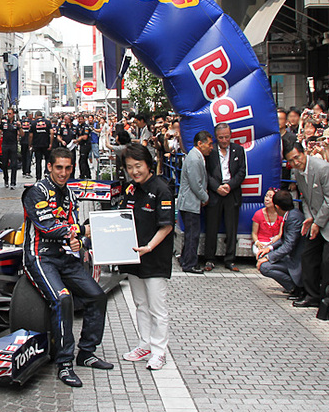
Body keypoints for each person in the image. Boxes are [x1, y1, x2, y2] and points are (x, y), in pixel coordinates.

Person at [21, 147, 111, 387]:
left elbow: (71, 227)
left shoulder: (70, 194)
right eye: (58, 167)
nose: (63, 172)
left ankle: (86, 353)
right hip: (39, 256)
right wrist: (79, 231)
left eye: (67, 168)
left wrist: (78, 239)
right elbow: (48, 226)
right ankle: (64, 363)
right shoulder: (36, 191)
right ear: (49, 167)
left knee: (97, 296)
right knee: (62, 300)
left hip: (65, 256)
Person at [119, 143, 175, 370]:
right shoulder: (131, 189)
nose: (134, 171)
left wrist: (149, 247)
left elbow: (167, 226)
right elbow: (120, 218)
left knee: (157, 308)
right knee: (140, 304)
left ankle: (159, 351)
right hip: (134, 258)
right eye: (130, 167)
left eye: (138, 166)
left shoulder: (162, 189)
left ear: (148, 164)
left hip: (154, 258)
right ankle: (145, 344)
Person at [285, 142, 329, 308]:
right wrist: (309, 218)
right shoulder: (298, 173)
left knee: (328, 261)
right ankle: (311, 294)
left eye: (297, 158)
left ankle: (327, 299)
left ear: (304, 153)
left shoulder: (324, 168)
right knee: (308, 256)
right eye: (291, 161)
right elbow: (305, 198)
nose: (295, 162)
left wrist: (317, 223)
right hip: (316, 219)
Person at [203, 123, 247, 272]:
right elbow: (206, 173)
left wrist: (229, 186)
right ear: (216, 137)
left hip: (231, 192)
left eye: (227, 137)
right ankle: (209, 258)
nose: (224, 140)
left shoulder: (238, 150)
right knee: (211, 227)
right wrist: (216, 187)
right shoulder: (211, 150)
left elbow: (242, 172)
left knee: (231, 227)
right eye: (221, 137)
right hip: (215, 192)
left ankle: (230, 259)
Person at [176, 131, 212, 274]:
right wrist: (205, 197)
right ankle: (189, 264)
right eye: (209, 144)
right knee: (192, 235)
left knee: (191, 234)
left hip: (191, 202)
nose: (211, 147)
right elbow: (195, 184)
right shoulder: (194, 159)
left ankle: (186, 259)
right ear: (200, 143)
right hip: (190, 203)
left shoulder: (196, 157)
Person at [256, 190, 304, 297]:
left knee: (265, 267)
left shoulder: (293, 218)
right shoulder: (292, 214)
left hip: (296, 261)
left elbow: (288, 245)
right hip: (291, 257)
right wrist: (270, 248)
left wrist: (268, 257)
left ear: (277, 207)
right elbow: (284, 239)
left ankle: (294, 287)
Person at [250, 188, 283, 257]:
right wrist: (257, 242)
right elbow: (254, 233)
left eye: (270, 197)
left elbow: (281, 233)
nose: (267, 199)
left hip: (275, 243)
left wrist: (276, 238)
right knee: (259, 253)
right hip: (262, 243)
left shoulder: (281, 214)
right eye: (266, 196)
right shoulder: (258, 214)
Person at [0, 108, 20, 189]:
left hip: (13, 145)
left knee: (14, 165)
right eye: (8, 113)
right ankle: (6, 180)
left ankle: (13, 182)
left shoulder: (16, 123)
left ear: (13, 114)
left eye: (10, 113)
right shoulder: (3, 123)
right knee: (4, 164)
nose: (9, 115)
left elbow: (22, 134)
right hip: (5, 145)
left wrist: (20, 127)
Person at [30, 111, 52, 180]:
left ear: (36, 115)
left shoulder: (33, 123)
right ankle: (47, 173)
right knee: (47, 159)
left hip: (37, 144)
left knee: (38, 161)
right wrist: (51, 143)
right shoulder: (48, 122)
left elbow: (31, 135)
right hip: (46, 144)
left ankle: (38, 177)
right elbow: (52, 133)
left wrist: (30, 144)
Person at [75, 114, 92, 179]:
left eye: (81, 119)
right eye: (78, 119)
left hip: (86, 145)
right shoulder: (78, 126)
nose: (80, 120)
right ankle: (88, 175)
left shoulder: (86, 126)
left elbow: (85, 137)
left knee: (82, 161)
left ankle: (82, 175)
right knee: (84, 160)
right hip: (81, 145)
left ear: (84, 119)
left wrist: (80, 138)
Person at [19, 112, 32, 178]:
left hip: (22, 141)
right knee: (28, 157)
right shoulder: (31, 122)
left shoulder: (21, 122)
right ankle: (27, 171)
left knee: (23, 157)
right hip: (29, 142)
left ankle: (24, 171)